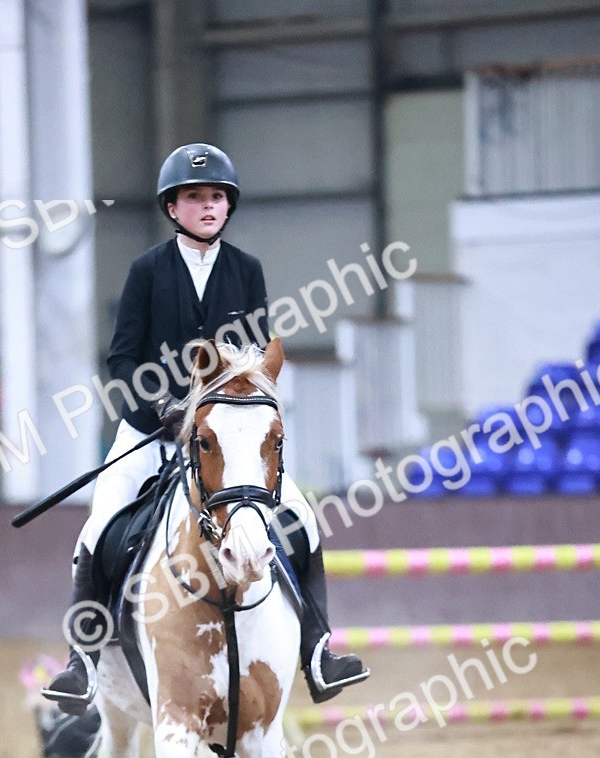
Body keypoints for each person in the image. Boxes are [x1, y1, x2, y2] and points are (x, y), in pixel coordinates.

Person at [44, 143, 367, 714]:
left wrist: (225, 412)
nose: (209, 206)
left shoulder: (246, 270)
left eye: (217, 197)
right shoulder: (146, 270)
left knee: (303, 521)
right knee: (95, 531)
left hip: (225, 434)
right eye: (196, 197)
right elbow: (121, 359)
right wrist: (161, 409)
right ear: (173, 207)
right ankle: (82, 662)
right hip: (150, 430)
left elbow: (257, 356)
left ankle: (318, 650)